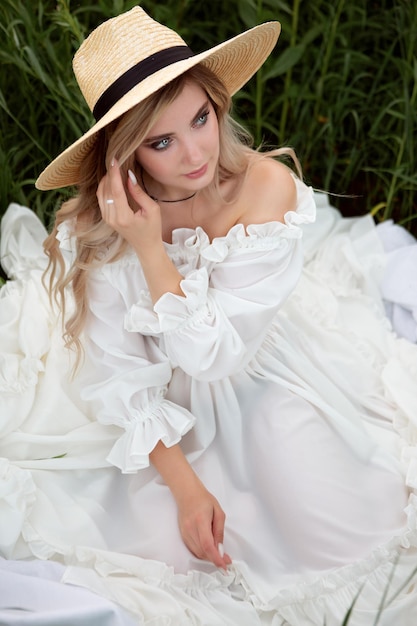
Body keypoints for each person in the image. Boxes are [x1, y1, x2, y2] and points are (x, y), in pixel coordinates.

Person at [1, 6, 417, 625]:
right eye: (162, 141)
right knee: (165, 548)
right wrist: (186, 485)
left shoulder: (266, 188)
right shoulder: (109, 227)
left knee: (341, 525)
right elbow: (122, 376)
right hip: (167, 395)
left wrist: (152, 251)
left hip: (258, 365)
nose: (196, 154)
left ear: (217, 103)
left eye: (201, 118)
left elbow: (215, 354)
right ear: (126, 157)